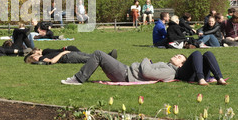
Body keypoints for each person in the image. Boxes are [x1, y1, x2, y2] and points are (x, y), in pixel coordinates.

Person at [61, 50, 227, 86]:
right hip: (126, 71)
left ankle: (78, 79)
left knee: (97, 54)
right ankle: (218, 77)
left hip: (125, 74)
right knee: (103, 56)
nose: (176, 56)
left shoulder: (170, 70)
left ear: (181, 65)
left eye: (179, 58)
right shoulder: (170, 67)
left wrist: (145, 59)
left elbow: (147, 71)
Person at [25, 46, 117, 65]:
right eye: (33, 57)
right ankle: (109, 59)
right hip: (67, 57)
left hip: (69, 54)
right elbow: (52, 61)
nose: (35, 56)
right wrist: (63, 53)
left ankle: (108, 56)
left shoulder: (42, 56)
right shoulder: (42, 59)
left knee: (90, 55)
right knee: (89, 58)